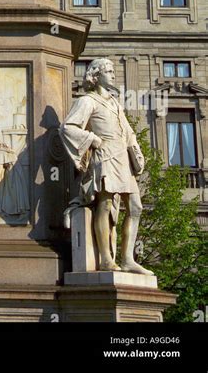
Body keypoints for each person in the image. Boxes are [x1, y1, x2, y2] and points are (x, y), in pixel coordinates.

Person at [59, 58, 153, 275]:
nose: (113, 75)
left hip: (122, 159)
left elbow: (128, 132)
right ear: (95, 75)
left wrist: (135, 151)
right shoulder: (87, 101)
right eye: (108, 71)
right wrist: (91, 138)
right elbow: (68, 128)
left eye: (113, 71)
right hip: (105, 157)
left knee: (136, 207)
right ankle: (105, 259)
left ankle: (128, 259)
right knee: (105, 204)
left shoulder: (114, 103)